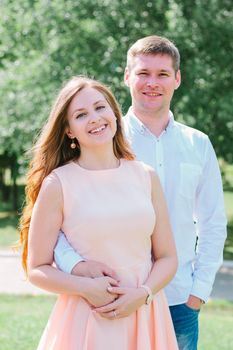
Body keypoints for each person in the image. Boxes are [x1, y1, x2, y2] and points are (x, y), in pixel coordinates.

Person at [54, 36, 227, 350]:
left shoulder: (198, 144)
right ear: (126, 77)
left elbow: (213, 222)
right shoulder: (98, 135)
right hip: (109, 296)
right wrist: (79, 271)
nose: (152, 83)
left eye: (162, 74)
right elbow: (60, 222)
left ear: (177, 79)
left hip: (178, 300)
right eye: (143, 73)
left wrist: (197, 293)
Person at [19, 76, 179, 349]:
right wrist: (85, 287)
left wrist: (143, 294)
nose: (95, 118)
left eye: (100, 107)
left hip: (145, 313)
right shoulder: (58, 184)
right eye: (81, 115)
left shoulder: (145, 176)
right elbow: (37, 268)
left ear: (115, 114)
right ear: (69, 130)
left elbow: (167, 257)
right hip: (87, 318)